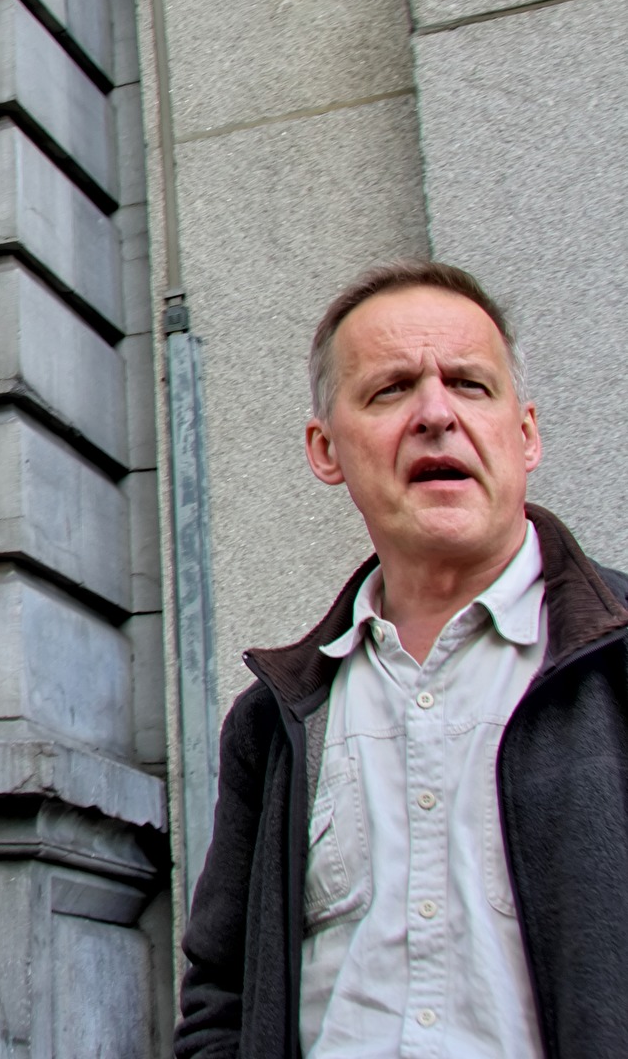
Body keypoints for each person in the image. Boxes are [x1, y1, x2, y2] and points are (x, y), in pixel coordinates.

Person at [174, 261, 628, 1058]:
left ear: (525, 435)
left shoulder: (613, 662)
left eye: (469, 384)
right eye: (389, 390)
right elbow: (221, 994)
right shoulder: (273, 721)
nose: (435, 414)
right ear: (326, 449)